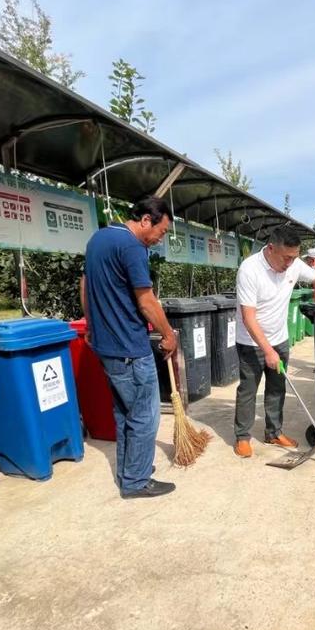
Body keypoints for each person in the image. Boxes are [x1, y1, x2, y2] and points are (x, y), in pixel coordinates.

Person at [233, 227, 315, 458]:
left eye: (295, 257)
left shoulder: (293, 263)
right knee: (248, 390)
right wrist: (267, 350)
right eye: (287, 257)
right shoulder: (249, 270)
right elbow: (248, 317)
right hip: (252, 342)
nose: (291, 263)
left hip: (280, 338)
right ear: (271, 248)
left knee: (277, 388)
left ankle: (273, 432)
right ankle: (242, 437)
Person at [82, 196, 178, 499]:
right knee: (145, 416)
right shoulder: (134, 247)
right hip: (129, 349)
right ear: (146, 220)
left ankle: (129, 473)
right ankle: (137, 481)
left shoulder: (99, 239)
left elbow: (84, 285)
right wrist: (168, 334)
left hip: (107, 347)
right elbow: (146, 301)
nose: (159, 239)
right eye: (161, 232)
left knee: (126, 414)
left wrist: (91, 325)